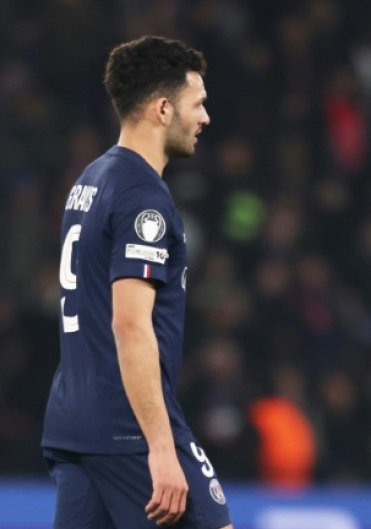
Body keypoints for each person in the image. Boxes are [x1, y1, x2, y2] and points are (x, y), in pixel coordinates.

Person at [42, 37, 232, 528]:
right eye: (199, 104)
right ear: (163, 108)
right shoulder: (142, 197)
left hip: (74, 422)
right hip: (128, 430)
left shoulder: (91, 179)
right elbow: (130, 325)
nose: (205, 118)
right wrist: (162, 448)